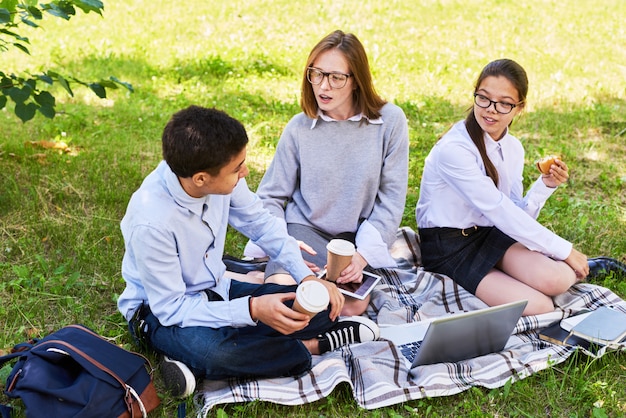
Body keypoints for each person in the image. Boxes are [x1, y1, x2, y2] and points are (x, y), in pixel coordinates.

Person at [117, 105, 379, 398]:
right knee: (216, 353)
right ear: (201, 178)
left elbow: (261, 224)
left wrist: (306, 278)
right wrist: (253, 310)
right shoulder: (151, 222)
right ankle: (312, 347)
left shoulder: (215, 175)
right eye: (237, 168)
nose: (246, 171)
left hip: (216, 287)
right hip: (161, 313)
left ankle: (194, 355)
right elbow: (172, 308)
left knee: (315, 309)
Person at [243, 30, 409, 316]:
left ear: (356, 80)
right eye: (316, 74)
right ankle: (300, 330)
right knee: (283, 296)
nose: (323, 86)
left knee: (350, 306)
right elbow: (270, 196)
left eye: (335, 77)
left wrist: (362, 256)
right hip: (304, 234)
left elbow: (391, 200)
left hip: (352, 241)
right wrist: (285, 246)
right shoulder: (299, 127)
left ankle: (264, 292)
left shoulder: (390, 122)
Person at [416, 58, 593, 316]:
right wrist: (564, 250)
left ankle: (533, 270)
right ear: (475, 94)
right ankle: (513, 274)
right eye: (484, 98)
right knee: (540, 306)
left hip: (491, 232)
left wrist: (544, 185)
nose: (491, 110)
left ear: (519, 108)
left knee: (558, 281)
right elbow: (499, 210)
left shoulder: (513, 148)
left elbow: (513, 215)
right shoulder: (454, 150)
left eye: (504, 104)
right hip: (450, 247)